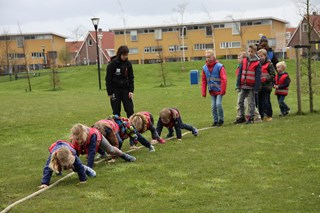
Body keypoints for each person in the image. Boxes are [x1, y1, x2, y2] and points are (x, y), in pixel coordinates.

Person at [70, 123, 136, 169]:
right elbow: (75, 152)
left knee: (110, 149)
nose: (79, 141)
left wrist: (89, 168)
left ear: (84, 134)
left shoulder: (92, 135)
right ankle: (103, 154)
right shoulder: (73, 139)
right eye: (77, 139)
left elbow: (92, 152)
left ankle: (125, 156)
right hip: (90, 141)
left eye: (81, 139)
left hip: (98, 138)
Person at [234, 44, 261, 124]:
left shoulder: (257, 63)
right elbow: (240, 73)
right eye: (248, 51)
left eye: (252, 52)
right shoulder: (244, 60)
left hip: (251, 86)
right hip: (243, 85)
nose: (250, 53)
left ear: (255, 52)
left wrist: (256, 88)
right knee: (240, 101)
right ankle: (241, 117)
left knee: (251, 103)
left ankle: (250, 117)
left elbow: (258, 76)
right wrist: (238, 84)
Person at [106, 45, 134, 118]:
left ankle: (131, 127)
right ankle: (118, 127)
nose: (125, 57)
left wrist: (131, 91)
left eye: (126, 55)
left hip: (126, 89)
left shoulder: (128, 64)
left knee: (130, 110)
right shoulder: (112, 64)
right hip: (115, 90)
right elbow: (108, 79)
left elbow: (131, 78)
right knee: (116, 111)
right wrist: (110, 92)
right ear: (119, 54)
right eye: (124, 55)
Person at [201, 49, 227, 127]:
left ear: (213, 57)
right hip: (212, 90)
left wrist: (223, 90)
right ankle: (215, 121)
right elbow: (203, 81)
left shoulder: (219, 66)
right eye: (206, 57)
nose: (208, 59)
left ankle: (221, 120)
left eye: (209, 57)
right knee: (213, 106)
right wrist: (203, 92)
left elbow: (224, 79)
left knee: (218, 104)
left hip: (219, 90)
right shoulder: (204, 68)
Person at [257, 49, 276, 121]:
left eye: (261, 56)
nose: (260, 58)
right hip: (259, 86)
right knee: (260, 102)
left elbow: (273, 74)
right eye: (259, 56)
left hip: (267, 86)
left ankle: (269, 115)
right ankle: (261, 116)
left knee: (266, 101)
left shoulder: (269, 64)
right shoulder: (257, 64)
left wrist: (266, 78)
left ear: (265, 56)